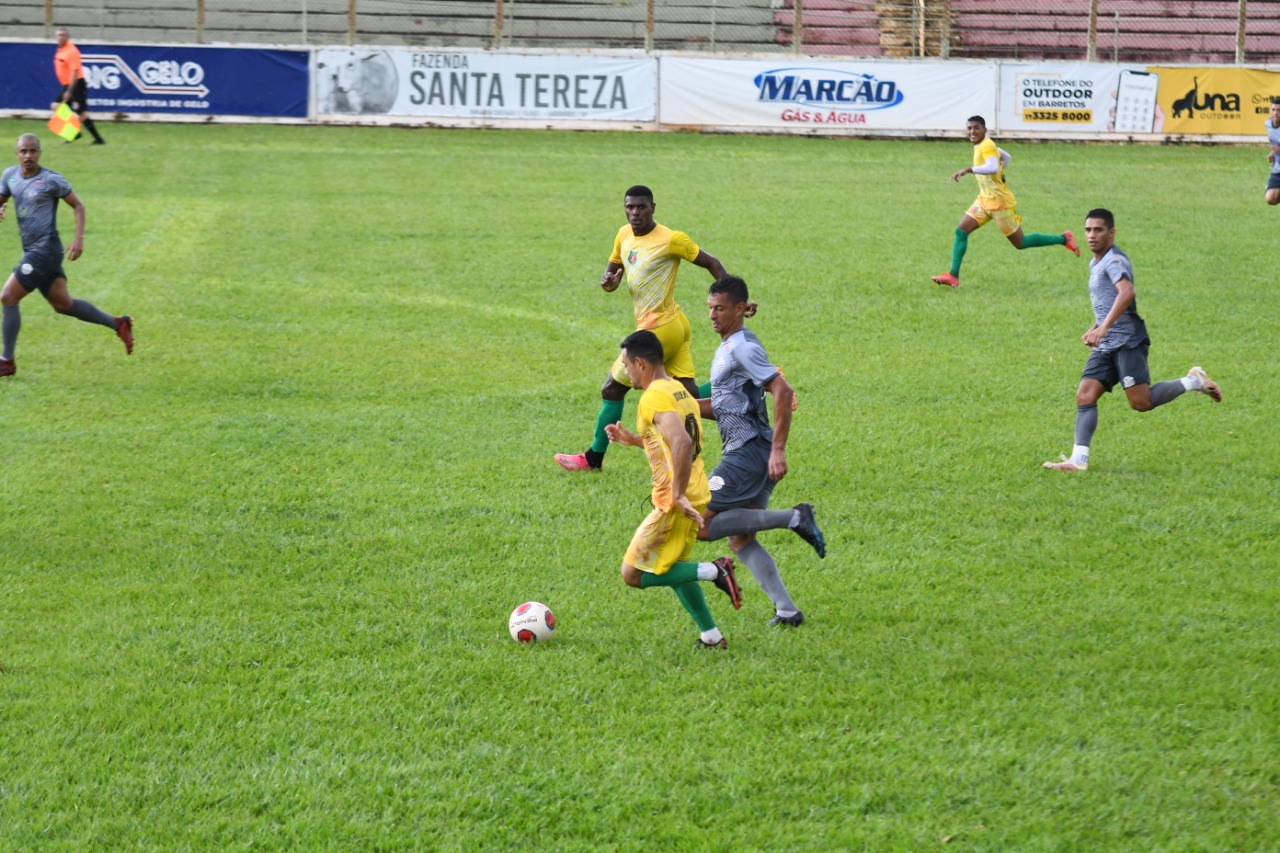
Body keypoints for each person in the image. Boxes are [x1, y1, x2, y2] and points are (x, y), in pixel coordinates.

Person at [555, 185, 726, 472]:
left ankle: (593, 458)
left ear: (653, 208)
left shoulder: (671, 239)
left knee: (612, 388)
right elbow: (611, 274)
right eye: (630, 207)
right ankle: (745, 383)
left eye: (641, 207)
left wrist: (733, 301)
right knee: (690, 395)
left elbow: (713, 263)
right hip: (672, 325)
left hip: (659, 330)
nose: (635, 212)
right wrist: (609, 282)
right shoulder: (623, 234)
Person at [1043, 208, 1220, 472]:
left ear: (1111, 233)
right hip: (1106, 343)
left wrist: (1103, 329)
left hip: (1128, 342)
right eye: (1088, 230)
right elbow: (1108, 302)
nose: (1091, 235)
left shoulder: (1114, 261)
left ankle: (1195, 381)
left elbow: (1126, 293)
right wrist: (1095, 328)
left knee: (1141, 402)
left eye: (1098, 230)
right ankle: (1078, 461)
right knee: (1085, 395)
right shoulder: (1095, 262)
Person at [693, 276, 825, 628]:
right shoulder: (733, 345)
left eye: (720, 309)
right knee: (740, 539)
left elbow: (783, 390)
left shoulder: (742, 348)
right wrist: (682, 407)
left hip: (748, 453)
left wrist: (778, 450)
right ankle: (788, 612)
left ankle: (793, 517)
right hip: (754, 452)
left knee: (699, 525)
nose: (712, 315)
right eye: (710, 308)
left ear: (739, 309)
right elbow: (726, 406)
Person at [603, 330, 743, 650]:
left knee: (632, 574)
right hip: (698, 491)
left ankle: (715, 570)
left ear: (641, 363)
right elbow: (672, 439)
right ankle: (711, 636)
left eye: (627, 364)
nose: (625, 371)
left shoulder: (652, 397)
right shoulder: (678, 390)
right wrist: (635, 440)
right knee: (673, 566)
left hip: (675, 500)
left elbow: (680, 441)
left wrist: (677, 495)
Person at [0, 134, 133, 378]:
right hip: (33, 250)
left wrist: (79, 239)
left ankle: (6, 361)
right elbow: (2, 198)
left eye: (33, 151)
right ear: (16, 153)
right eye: (23, 151)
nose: (28, 155)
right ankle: (119, 323)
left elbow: (78, 205)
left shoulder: (50, 179)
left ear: (40, 153)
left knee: (8, 297)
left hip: (45, 251)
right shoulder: (10, 176)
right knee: (63, 305)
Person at [931, 115, 1078, 288]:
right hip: (984, 199)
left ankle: (1064, 239)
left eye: (976, 128)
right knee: (961, 231)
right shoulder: (985, 145)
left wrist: (969, 170)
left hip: (999, 204)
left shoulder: (986, 146)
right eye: (969, 128)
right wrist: (1001, 175)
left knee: (1021, 243)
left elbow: (993, 166)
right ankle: (953, 276)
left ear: (985, 130)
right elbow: (1006, 156)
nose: (972, 131)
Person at [53, 28, 105, 146]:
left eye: (63, 35)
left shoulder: (71, 51)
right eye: (58, 35)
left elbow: (75, 72)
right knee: (56, 106)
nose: (60, 37)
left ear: (67, 37)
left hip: (76, 84)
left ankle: (98, 139)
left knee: (81, 113)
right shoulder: (60, 50)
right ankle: (74, 133)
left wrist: (70, 91)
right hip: (68, 85)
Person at [1265, 97, 1280, 206]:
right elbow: (1275, 144)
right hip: (1278, 167)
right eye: (1273, 109)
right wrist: (1272, 154)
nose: (1275, 113)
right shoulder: (1268, 124)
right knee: (1270, 199)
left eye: (1278, 110)